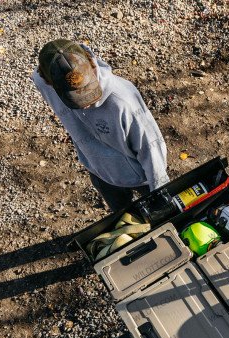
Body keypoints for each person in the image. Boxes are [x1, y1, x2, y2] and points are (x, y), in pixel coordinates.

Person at [32, 39, 169, 212]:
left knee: (159, 215)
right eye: (75, 98)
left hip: (141, 176)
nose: (86, 104)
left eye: (88, 90)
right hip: (99, 171)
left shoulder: (123, 101)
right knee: (122, 216)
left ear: (91, 64)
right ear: (49, 82)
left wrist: (160, 191)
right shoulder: (43, 81)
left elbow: (151, 147)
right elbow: (38, 75)